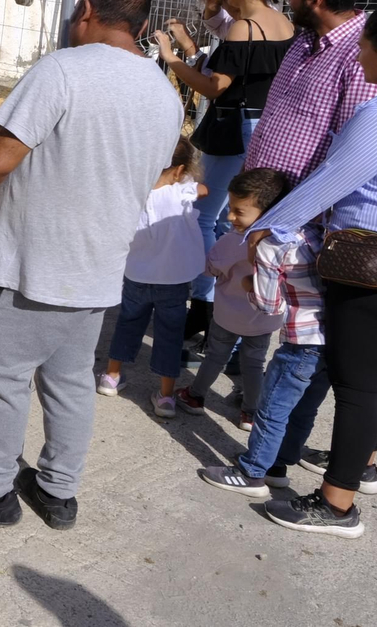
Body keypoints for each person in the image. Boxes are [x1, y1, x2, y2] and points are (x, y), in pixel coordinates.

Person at [0, 0, 183, 530]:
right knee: (67, 380)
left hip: (35, 265)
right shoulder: (163, 90)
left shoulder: (62, 69)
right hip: (101, 266)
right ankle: (58, 491)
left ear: (85, 10)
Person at [244, 5, 377, 539]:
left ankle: (336, 503)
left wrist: (265, 228)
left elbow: (330, 180)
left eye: (365, 47)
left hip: (372, 264)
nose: (358, 54)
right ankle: (365, 465)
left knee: (357, 386)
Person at [154, 0, 295, 331]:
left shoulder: (242, 29)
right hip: (265, 129)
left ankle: (202, 306)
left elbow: (215, 87)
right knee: (236, 220)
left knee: (205, 217)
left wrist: (173, 59)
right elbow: (247, 61)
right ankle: (224, 302)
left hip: (233, 129)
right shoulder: (283, 23)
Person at [197, 169, 333, 497]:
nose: (229, 216)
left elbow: (267, 305)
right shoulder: (310, 230)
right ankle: (277, 467)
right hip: (332, 338)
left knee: (271, 409)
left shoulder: (270, 246)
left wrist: (247, 281)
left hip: (301, 344)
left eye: (238, 211)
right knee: (304, 407)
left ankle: (251, 472)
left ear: (266, 212)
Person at [244, 0, 377, 186]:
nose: (288, 1)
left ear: (315, 0)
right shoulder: (306, 39)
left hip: (298, 203)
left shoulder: (360, 55)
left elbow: (351, 147)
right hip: (259, 190)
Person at [98, 137, 208, 418]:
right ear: (179, 170)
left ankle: (111, 377)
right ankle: (166, 397)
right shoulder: (184, 191)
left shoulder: (135, 192)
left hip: (137, 274)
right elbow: (204, 190)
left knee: (128, 323)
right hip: (174, 280)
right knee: (169, 335)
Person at [178, 168, 294, 431]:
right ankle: (250, 413)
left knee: (215, 356)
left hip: (227, 314)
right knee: (254, 364)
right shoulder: (285, 243)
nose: (230, 216)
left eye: (238, 211)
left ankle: (195, 396)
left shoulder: (232, 241)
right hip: (264, 320)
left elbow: (211, 269)